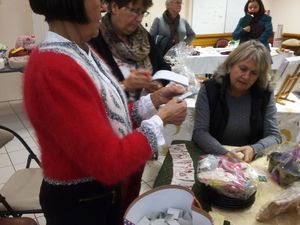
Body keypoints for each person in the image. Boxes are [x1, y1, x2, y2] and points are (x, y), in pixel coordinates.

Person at [24, 0, 187, 225]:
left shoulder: (80, 51)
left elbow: (106, 116)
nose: (102, 7)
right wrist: (161, 118)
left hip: (96, 197)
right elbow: (109, 164)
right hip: (81, 204)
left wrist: (155, 100)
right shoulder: (54, 65)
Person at [192, 40, 282, 163]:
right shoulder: (209, 89)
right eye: (242, 68)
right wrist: (224, 153)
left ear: (259, 76)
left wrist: (254, 149)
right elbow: (200, 132)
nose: (246, 77)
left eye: (254, 73)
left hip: (249, 162)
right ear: (231, 65)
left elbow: (275, 136)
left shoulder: (265, 93)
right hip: (213, 158)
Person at [90, 0, 171, 103]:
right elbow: (91, 90)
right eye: (135, 11)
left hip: (150, 111)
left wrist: (159, 82)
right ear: (114, 7)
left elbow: (164, 67)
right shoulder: (95, 39)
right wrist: (124, 85)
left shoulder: (144, 37)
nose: (139, 19)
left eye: (143, 12)